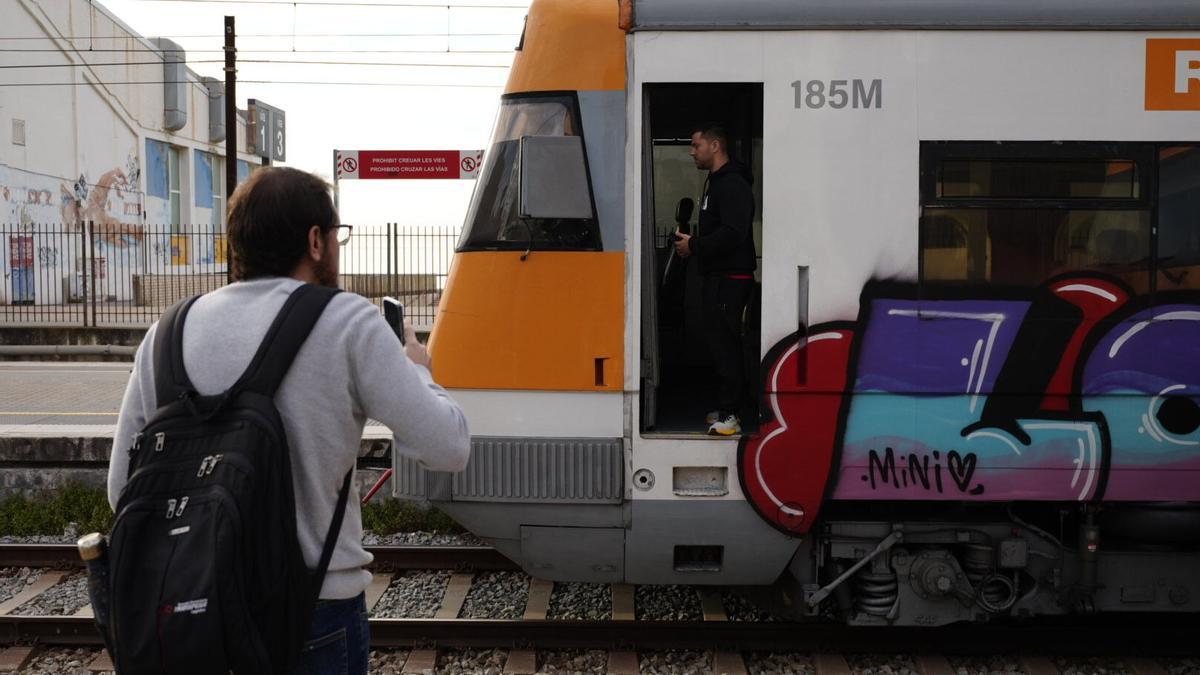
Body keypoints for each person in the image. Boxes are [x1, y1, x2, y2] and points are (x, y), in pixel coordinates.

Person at [108, 167, 470, 674]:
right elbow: (449, 447)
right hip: (312, 612)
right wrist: (420, 370)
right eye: (337, 235)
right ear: (316, 240)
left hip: (190, 612)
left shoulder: (165, 334)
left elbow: (121, 489)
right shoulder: (348, 322)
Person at [673, 123, 757, 436]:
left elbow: (734, 233)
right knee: (719, 342)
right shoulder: (717, 182)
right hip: (719, 276)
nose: (692, 152)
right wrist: (694, 244)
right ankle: (726, 407)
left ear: (715, 145)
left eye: (696, 145)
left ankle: (732, 415)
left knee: (726, 344)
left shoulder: (732, 183)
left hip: (730, 279)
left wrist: (694, 245)